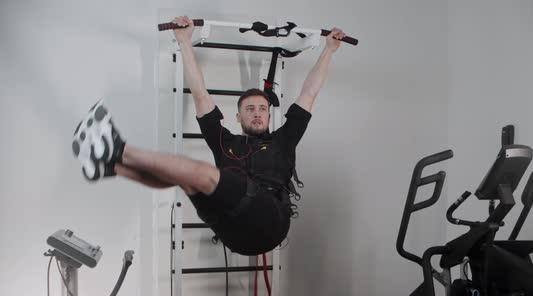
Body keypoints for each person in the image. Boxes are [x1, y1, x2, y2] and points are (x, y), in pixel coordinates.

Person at [72, 16, 345, 255]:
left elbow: (309, 93)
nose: (257, 113)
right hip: (232, 231)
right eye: (250, 109)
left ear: (269, 114)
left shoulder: (283, 141)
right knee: (185, 179)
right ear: (238, 117)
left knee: (203, 174)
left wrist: (329, 50)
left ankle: (118, 149)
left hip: (269, 223)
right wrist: (184, 41)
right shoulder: (225, 141)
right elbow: (201, 95)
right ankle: (113, 166)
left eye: (262, 109)